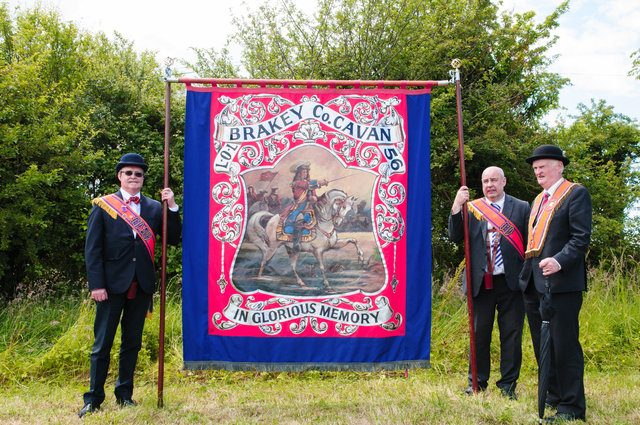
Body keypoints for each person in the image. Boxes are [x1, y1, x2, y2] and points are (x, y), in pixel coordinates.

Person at [79, 153, 182, 418]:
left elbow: (172, 239)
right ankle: (93, 399)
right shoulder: (104, 206)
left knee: (131, 344)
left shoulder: (153, 207)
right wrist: (96, 285)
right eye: (128, 173)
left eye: (138, 174)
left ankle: (124, 395)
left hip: (142, 285)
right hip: (111, 286)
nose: (133, 178)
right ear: (119, 176)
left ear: (143, 178)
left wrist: (171, 207)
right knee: (102, 345)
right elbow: (93, 250)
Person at [519, 145, 591, 422]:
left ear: (559, 166)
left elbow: (580, 239)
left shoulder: (575, 194)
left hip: (562, 283)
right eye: (535, 167)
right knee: (543, 344)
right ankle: (555, 395)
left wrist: (559, 260)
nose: (538, 170)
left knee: (564, 345)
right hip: (535, 284)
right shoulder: (538, 200)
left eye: (544, 165)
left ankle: (572, 407)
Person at [448, 166, 530, 399]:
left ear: (504, 181)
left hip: (511, 283)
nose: (489, 185)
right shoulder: (472, 208)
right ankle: (477, 383)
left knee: (511, 336)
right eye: (485, 181)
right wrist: (456, 206)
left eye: (494, 180)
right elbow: (455, 236)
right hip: (481, 283)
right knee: (478, 335)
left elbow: (530, 243)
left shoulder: (522, 207)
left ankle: (508, 386)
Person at [278, 161, 327, 249]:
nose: (306, 173)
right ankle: (296, 243)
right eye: (304, 172)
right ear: (299, 174)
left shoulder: (308, 184)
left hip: (309, 207)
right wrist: (321, 182)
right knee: (298, 221)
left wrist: (317, 198)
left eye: (306, 172)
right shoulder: (297, 183)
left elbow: (313, 195)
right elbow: (308, 185)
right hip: (299, 207)